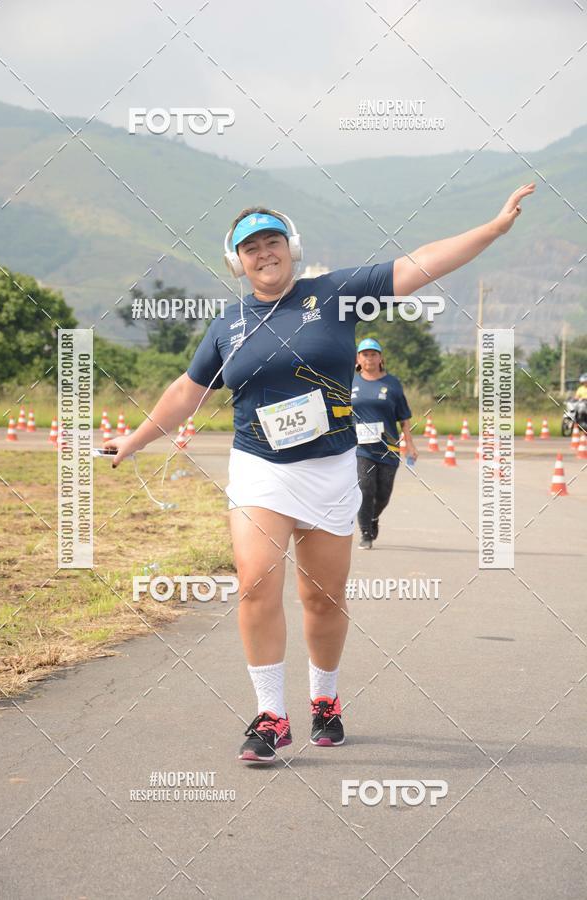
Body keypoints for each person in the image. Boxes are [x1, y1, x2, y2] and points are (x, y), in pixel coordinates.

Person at [105, 184, 535, 764]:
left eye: (272, 242)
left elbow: (418, 265)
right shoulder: (228, 324)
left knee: (323, 597)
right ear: (237, 262)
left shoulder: (334, 294)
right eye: (251, 248)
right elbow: (188, 390)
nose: (264, 253)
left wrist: (493, 229)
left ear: (292, 247)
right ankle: (271, 715)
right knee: (256, 581)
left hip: (331, 468)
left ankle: (325, 700)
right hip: (259, 467)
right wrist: (133, 441)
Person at [352, 338, 417, 550]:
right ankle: (366, 533)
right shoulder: (350, 383)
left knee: (383, 494)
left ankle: (373, 517)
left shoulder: (392, 384)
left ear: (381, 358)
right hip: (361, 448)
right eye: (365, 355)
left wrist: (410, 444)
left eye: (373, 354)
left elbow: (404, 417)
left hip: (388, 447)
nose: (369, 358)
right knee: (365, 487)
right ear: (358, 359)